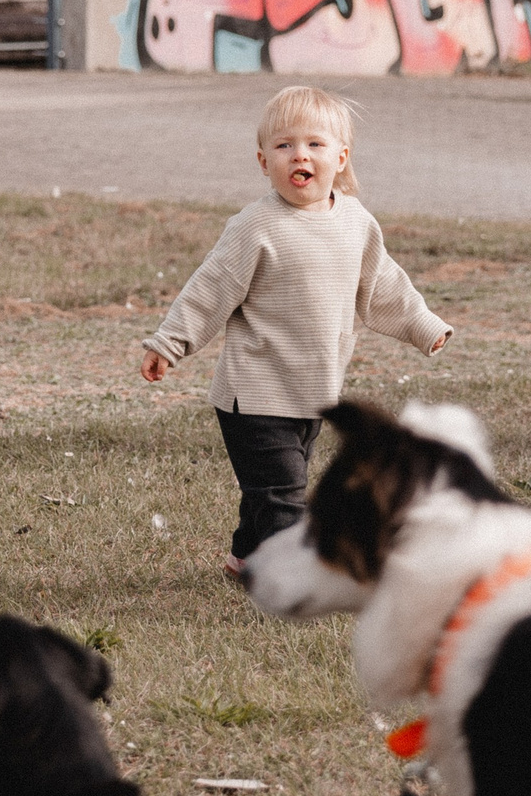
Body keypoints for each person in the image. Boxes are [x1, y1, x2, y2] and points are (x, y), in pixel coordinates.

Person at [138, 86, 450, 578]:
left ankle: (247, 557)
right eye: (284, 146)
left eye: (315, 144)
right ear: (264, 162)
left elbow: (385, 284)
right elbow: (210, 289)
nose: (299, 155)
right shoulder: (256, 226)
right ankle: (294, 579)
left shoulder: (355, 224)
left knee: (270, 489)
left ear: (341, 157)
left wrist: (423, 325)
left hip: (313, 391)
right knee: (284, 494)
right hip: (255, 395)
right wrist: (169, 344)